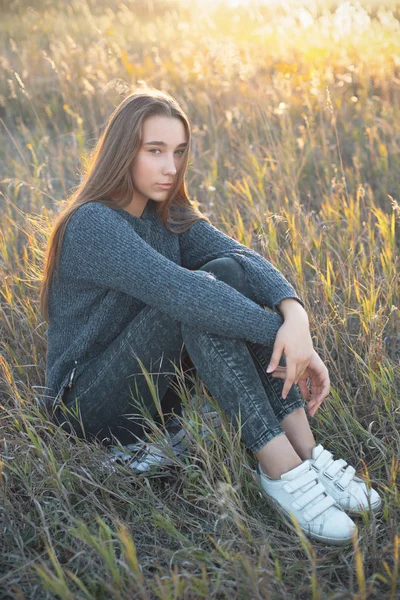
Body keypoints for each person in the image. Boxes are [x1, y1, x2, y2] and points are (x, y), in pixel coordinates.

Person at [39, 87, 381, 546]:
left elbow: (241, 258)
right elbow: (182, 294)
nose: (170, 167)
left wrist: (294, 316)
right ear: (123, 151)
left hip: (153, 390)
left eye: (179, 152)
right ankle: (282, 470)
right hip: (88, 406)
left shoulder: (167, 213)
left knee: (225, 272)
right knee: (199, 299)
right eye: (154, 150)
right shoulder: (93, 224)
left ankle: (308, 452)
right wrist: (285, 339)